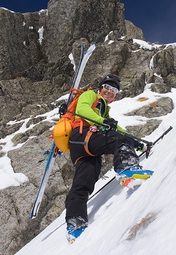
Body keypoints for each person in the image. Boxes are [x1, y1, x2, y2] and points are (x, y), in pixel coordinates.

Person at [64, 74, 152, 240]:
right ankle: (127, 168)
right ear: (101, 88)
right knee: (118, 140)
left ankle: (75, 222)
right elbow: (82, 109)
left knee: (83, 183)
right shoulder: (90, 95)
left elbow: (118, 129)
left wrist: (137, 143)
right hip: (82, 136)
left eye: (114, 90)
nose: (110, 91)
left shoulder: (105, 112)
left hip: (83, 149)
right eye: (108, 87)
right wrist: (102, 122)